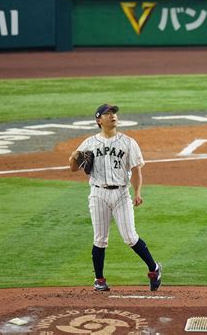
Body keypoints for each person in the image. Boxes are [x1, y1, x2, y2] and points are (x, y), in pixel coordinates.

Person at [69, 103, 162, 292]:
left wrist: (137, 193)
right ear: (98, 120)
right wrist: (74, 156)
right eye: (107, 113)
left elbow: (136, 170)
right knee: (100, 239)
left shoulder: (128, 142)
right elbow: (73, 166)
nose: (112, 116)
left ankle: (154, 269)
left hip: (121, 193)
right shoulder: (89, 143)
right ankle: (99, 279)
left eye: (114, 113)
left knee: (130, 236)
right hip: (98, 193)